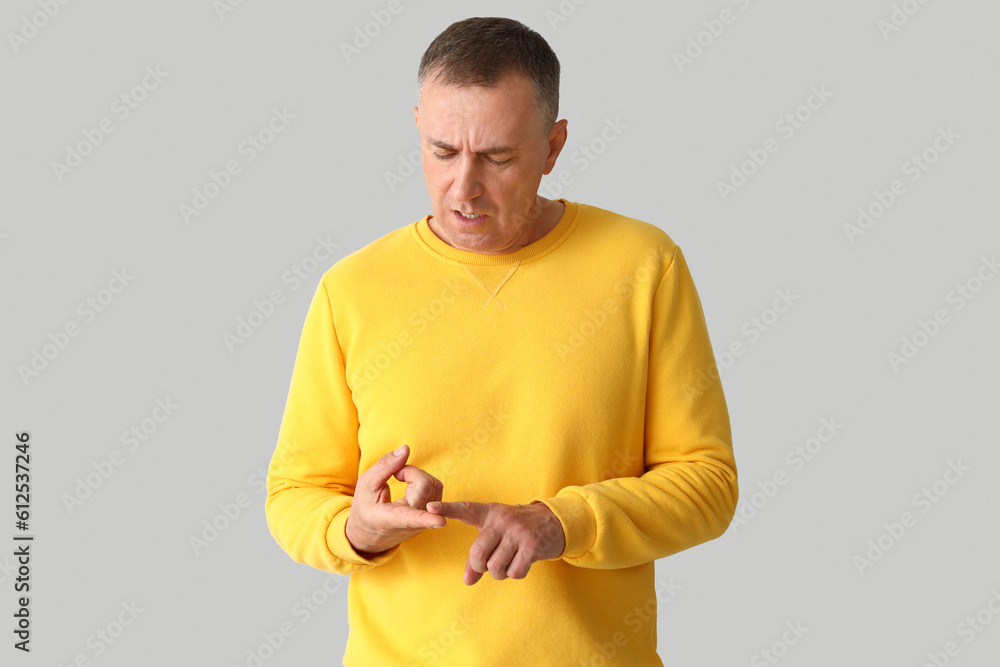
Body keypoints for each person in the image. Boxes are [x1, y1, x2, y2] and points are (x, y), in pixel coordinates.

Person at [265, 16, 738, 666]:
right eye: (442, 151)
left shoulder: (643, 265)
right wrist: (356, 528)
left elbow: (707, 484)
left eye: (498, 157)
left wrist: (561, 521)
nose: (464, 189)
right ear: (417, 130)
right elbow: (294, 492)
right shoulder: (351, 288)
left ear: (553, 146)